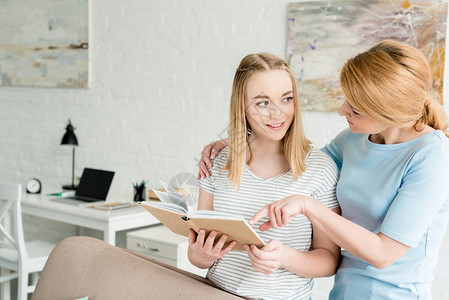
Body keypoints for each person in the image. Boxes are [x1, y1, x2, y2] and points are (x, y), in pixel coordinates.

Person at [198, 40, 449, 299]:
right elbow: (300, 159)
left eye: (355, 108)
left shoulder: (432, 155)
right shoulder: (354, 139)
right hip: (344, 291)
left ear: (387, 109)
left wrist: (308, 207)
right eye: (346, 100)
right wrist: (240, 140)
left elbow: (383, 254)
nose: (342, 111)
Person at [189, 52, 341, 300]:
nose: (277, 113)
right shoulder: (217, 161)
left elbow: (329, 260)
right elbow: (196, 256)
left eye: (286, 99)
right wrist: (202, 255)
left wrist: (285, 258)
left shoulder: (320, 168)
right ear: (242, 106)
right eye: (262, 103)